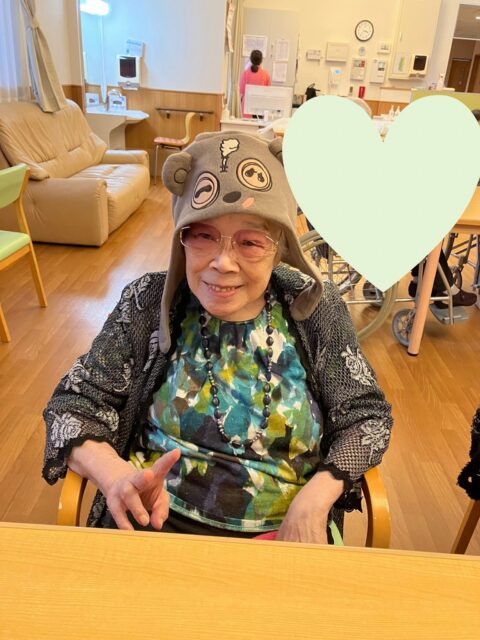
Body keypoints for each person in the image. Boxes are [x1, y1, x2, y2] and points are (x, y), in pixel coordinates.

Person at [43, 131, 393, 543]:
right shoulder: (148, 302)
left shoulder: (314, 308)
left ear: (280, 247)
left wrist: (316, 499)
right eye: (203, 235)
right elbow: (72, 404)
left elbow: (367, 416)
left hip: (287, 533)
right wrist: (115, 474)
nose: (223, 262)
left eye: (251, 242)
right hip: (152, 525)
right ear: (181, 239)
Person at [239, 50, 271, 118]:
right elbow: (268, 92)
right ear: (261, 60)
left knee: (246, 124)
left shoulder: (245, 74)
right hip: (260, 108)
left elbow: (241, 90)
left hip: (247, 107)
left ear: (250, 59)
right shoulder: (266, 75)